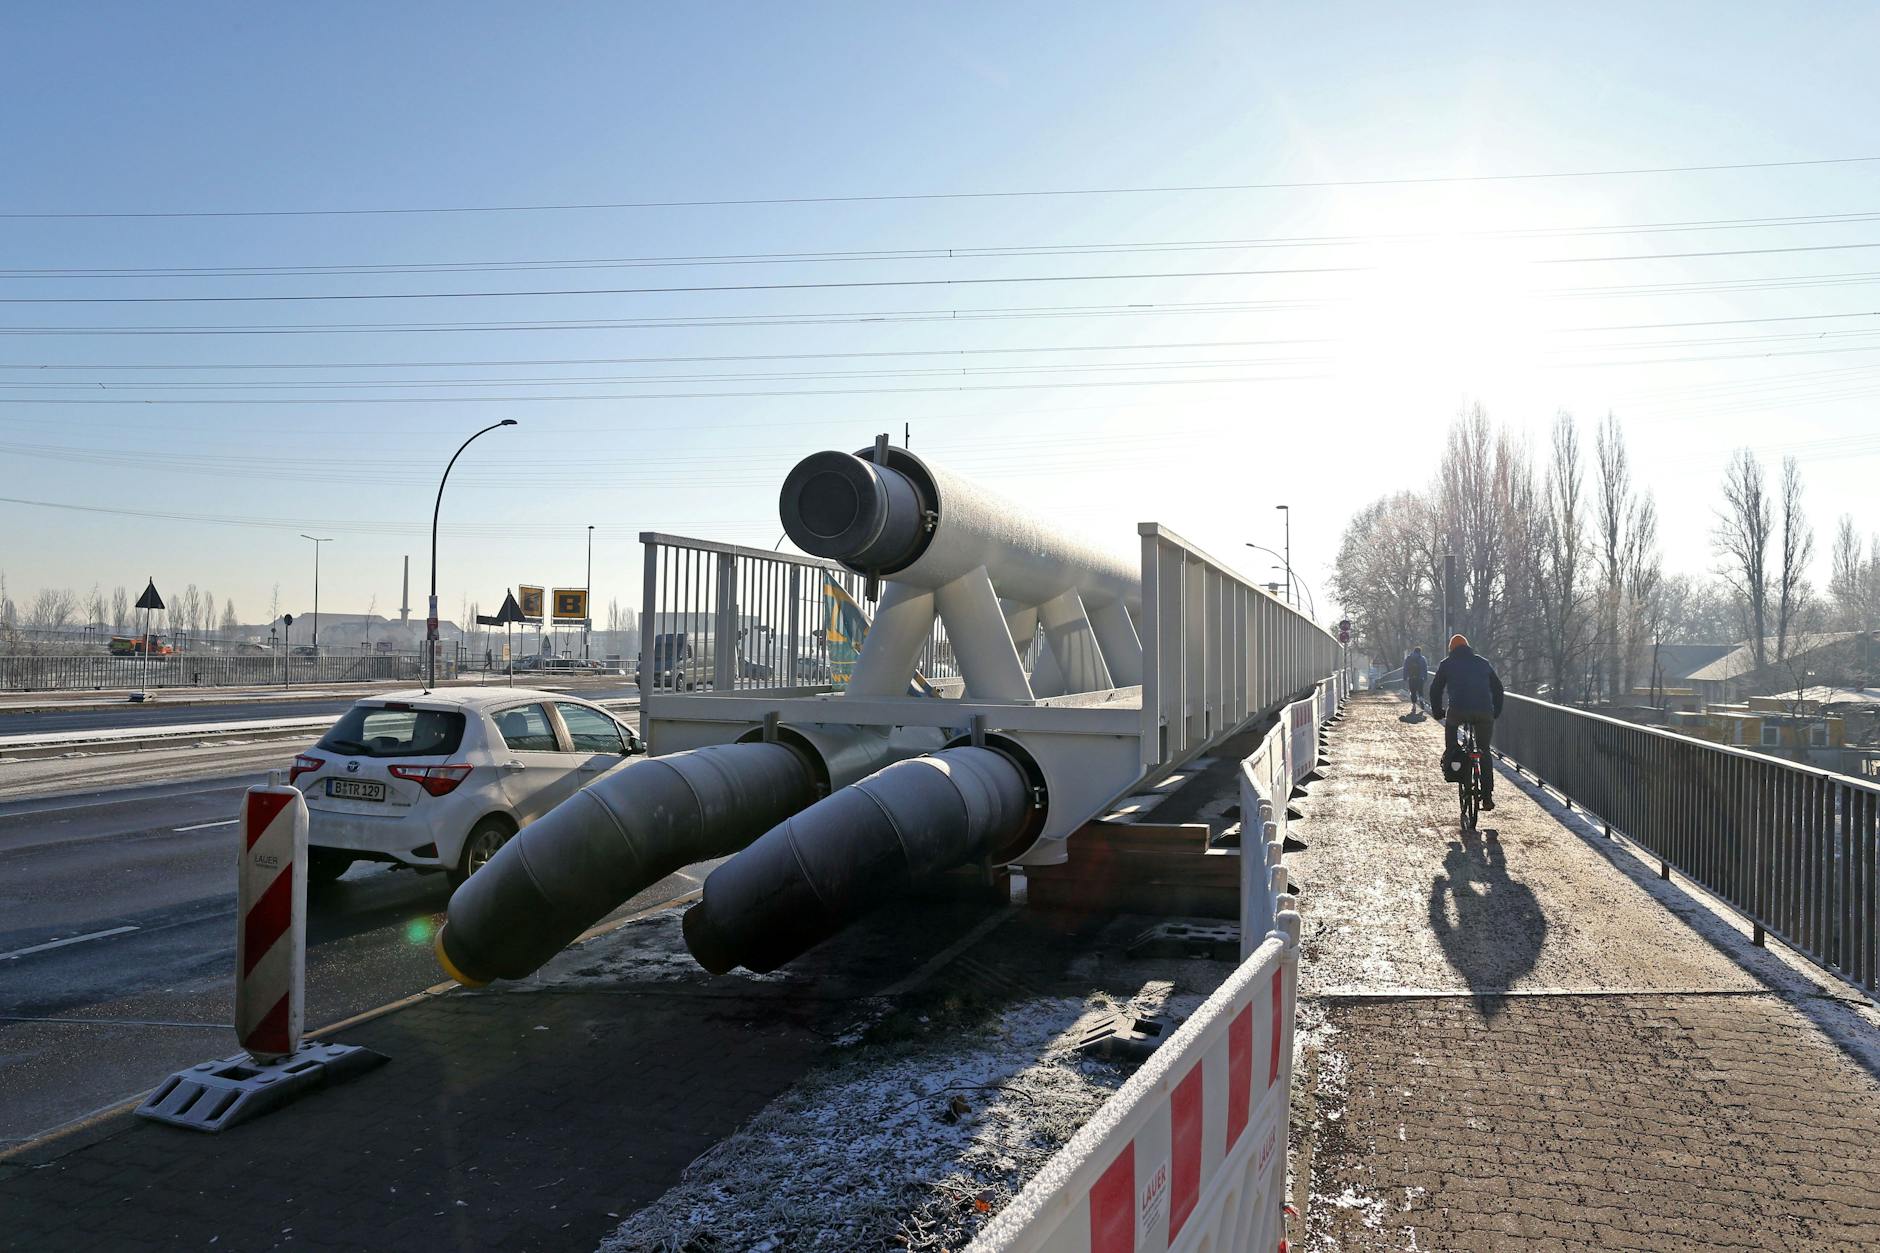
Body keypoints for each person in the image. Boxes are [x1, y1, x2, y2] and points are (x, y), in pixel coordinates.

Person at [1429, 633, 1505, 810]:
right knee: (1484, 751)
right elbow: (1498, 688)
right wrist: (1496, 711)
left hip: (1458, 711)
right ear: (1468, 647)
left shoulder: (1446, 664)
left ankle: (1453, 758)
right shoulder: (1482, 662)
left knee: (1451, 733)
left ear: (1451, 649)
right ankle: (1486, 797)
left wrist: (1438, 712)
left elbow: (1435, 689)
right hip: (1484, 712)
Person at [1402, 646, 1428, 713]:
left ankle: (1414, 705)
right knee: (1420, 691)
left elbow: (1405, 668)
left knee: (1413, 692)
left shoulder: (1408, 658)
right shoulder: (1422, 659)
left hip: (1411, 678)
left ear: (1414, 651)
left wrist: (1405, 677)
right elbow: (1425, 669)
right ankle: (1421, 699)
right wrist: (1425, 677)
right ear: (1420, 652)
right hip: (1420, 679)